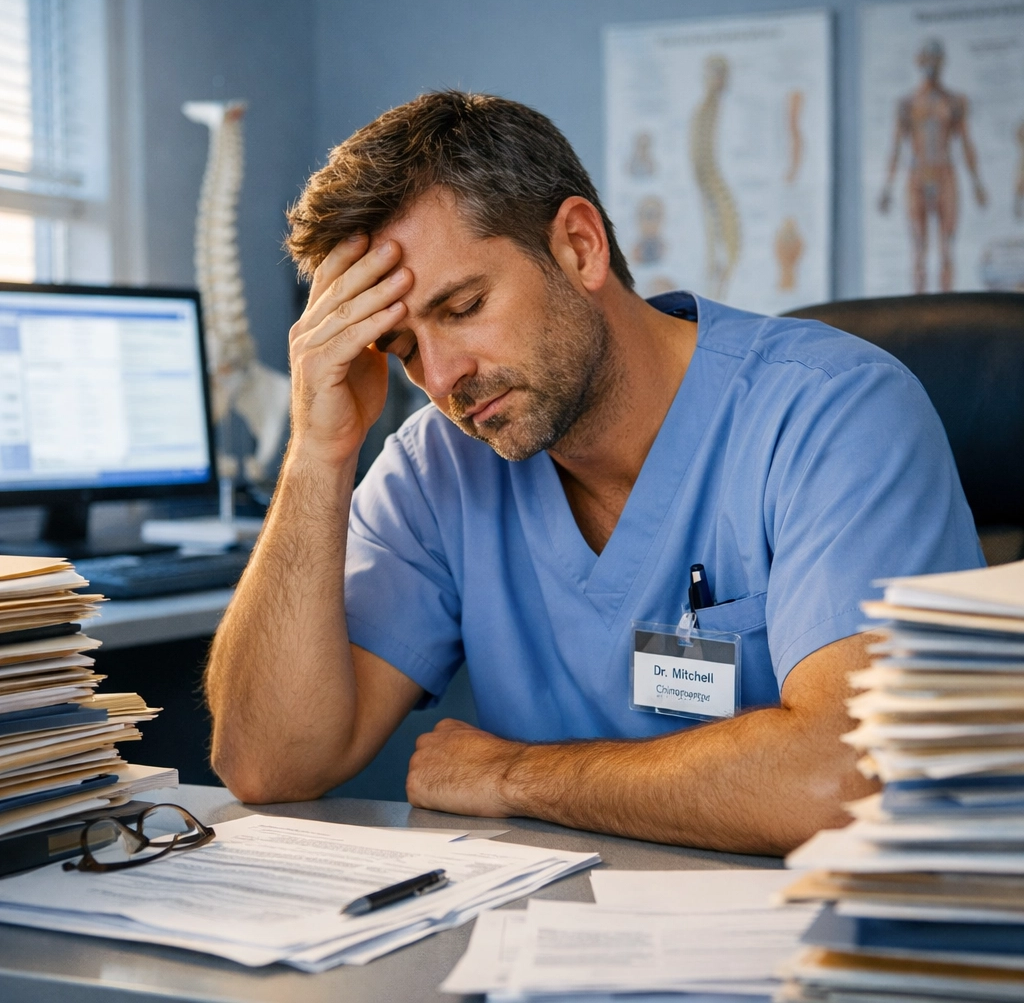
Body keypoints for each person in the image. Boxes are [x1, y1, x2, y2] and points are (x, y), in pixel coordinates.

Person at [204, 92, 983, 856]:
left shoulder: (831, 411)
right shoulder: (433, 469)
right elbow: (268, 764)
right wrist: (317, 450)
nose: (443, 378)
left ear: (580, 245)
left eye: (464, 305)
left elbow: (847, 778)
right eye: (404, 349)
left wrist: (513, 776)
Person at [878, 38, 987, 294]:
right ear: (920, 61)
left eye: (935, 59)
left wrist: (977, 184)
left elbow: (966, 143)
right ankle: (920, 317)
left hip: (945, 173)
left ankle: (946, 316)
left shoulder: (954, 102)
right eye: (927, 59)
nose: (931, 64)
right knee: (918, 249)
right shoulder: (907, 104)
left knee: (947, 249)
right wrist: (887, 187)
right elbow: (895, 147)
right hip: (917, 175)